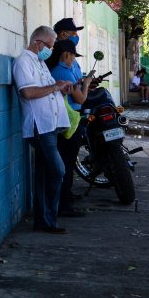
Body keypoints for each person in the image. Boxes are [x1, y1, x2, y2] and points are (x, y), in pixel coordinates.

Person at [13, 26, 73, 234]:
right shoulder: (23, 62)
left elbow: (47, 89)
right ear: (38, 42)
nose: (51, 49)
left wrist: (60, 89)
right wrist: (55, 87)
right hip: (39, 126)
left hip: (51, 125)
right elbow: (28, 92)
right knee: (58, 170)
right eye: (49, 45)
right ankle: (49, 219)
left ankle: (43, 220)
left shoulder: (40, 63)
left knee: (44, 172)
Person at [48, 39, 91, 217]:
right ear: (66, 54)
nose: (73, 60)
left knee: (65, 163)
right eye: (73, 56)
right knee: (66, 163)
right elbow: (80, 99)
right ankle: (63, 204)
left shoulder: (58, 70)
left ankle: (64, 201)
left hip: (63, 122)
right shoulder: (63, 71)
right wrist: (86, 83)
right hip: (69, 123)